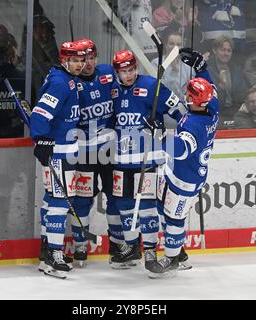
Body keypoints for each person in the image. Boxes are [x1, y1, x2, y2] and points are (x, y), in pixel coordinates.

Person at [144, 48, 219, 278]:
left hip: (185, 179)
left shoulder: (194, 126)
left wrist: (159, 134)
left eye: (189, 94)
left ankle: (173, 258)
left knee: (175, 218)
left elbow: (180, 150)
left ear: (194, 100)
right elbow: (211, 88)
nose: (185, 96)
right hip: (174, 173)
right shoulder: (211, 107)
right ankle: (179, 252)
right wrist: (201, 68)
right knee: (163, 210)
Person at [109, 49, 184, 271]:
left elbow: (179, 111)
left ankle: (150, 249)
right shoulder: (112, 91)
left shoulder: (152, 86)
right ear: (117, 73)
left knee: (148, 207)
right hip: (122, 159)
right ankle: (132, 246)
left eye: (132, 70)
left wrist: (161, 125)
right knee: (124, 204)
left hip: (149, 159)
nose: (129, 75)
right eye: (124, 72)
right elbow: (110, 119)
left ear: (136, 68)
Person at [30, 41, 87, 278]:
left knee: (51, 199)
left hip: (65, 149)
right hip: (59, 151)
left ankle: (46, 254)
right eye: (75, 60)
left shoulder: (66, 79)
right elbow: (40, 113)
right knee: (60, 202)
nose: (80, 64)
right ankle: (54, 255)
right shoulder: (60, 82)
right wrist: (42, 139)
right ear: (65, 60)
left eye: (82, 60)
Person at [68, 38, 125, 268]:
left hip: (110, 150)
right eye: (83, 59)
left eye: (91, 58)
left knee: (115, 196)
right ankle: (80, 244)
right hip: (84, 152)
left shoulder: (109, 74)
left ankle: (117, 243)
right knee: (82, 199)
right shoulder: (70, 83)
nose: (88, 63)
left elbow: (126, 99)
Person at [207, 34, 248, 129]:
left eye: (229, 50)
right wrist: (221, 86)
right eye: (222, 50)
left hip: (234, 112)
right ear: (214, 50)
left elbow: (242, 94)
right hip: (215, 114)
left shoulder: (236, 70)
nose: (226, 53)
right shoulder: (206, 70)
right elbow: (209, 103)